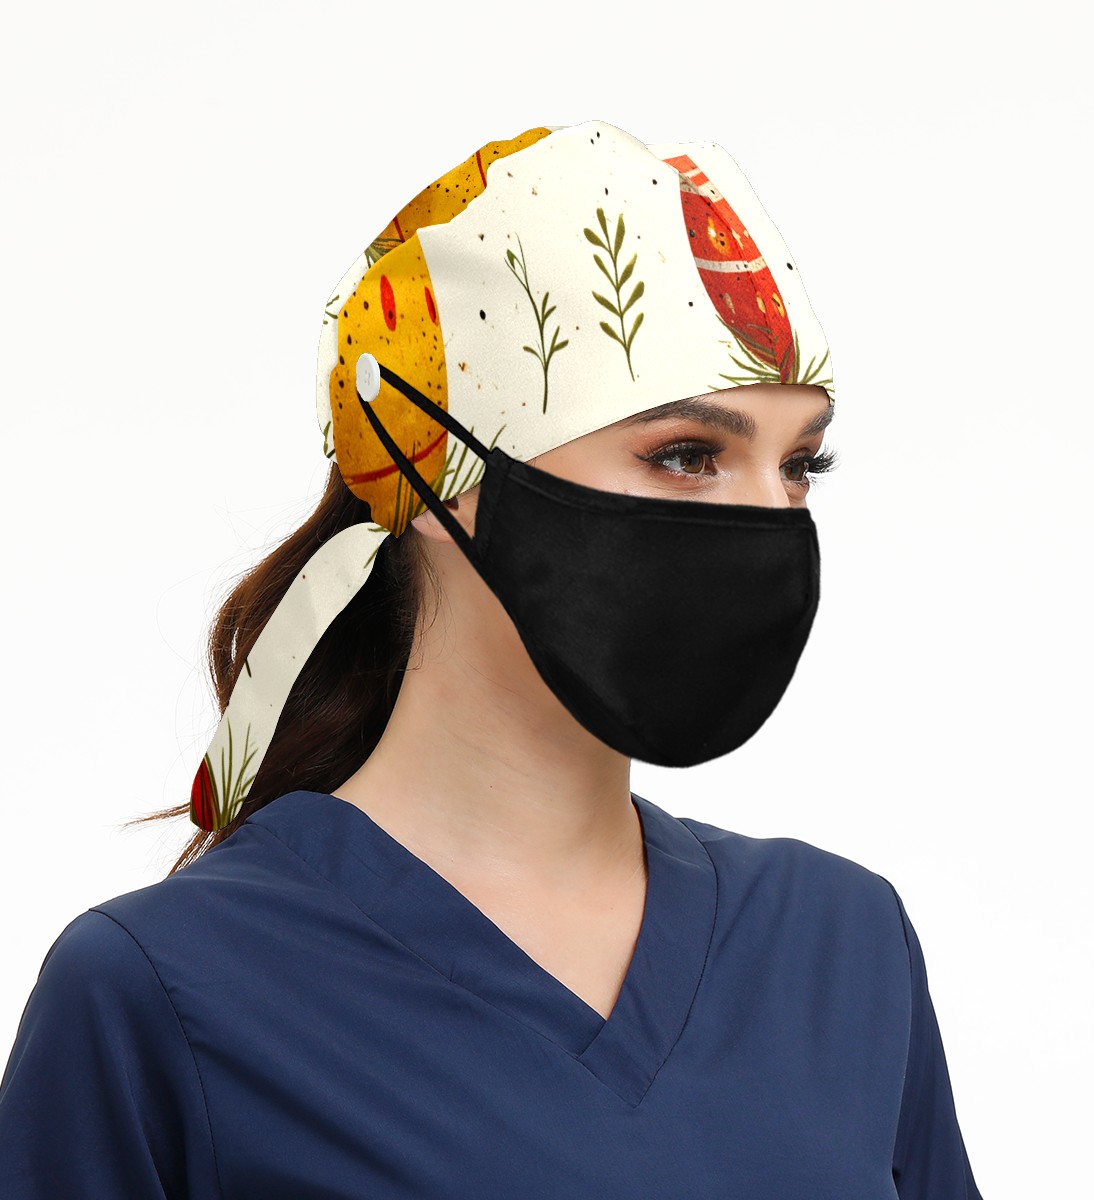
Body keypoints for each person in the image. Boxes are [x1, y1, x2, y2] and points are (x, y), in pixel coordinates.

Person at [0, 120, 984, 1198]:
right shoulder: (160, 994)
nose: (770, 523)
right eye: (686, 455)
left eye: (801, 465)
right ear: (433, 471)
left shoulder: (841, 946)